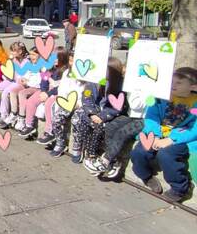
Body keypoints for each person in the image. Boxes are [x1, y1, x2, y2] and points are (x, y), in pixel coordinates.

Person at [130, 67, 197, 202]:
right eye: (172, 81)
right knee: (139, 152)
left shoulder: (195, 103)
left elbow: (194, 127)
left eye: (179, 83)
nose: (173, 85)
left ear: (192, 86)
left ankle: (180, 188)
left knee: (167, 155)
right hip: (157, 133)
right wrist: (154, 134)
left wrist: (172, 139)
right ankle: (146, 176)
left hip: (179, 138)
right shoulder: (160, 98)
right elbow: (151, 117)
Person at [71, 57, 125, 164]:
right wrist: (92, 113)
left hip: (107, 115)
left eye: (107, 71)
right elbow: (86, 98)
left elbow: (116, 107)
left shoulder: (119, 86)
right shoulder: (93, 82)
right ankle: (81, 146)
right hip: (93, 111)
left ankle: (91, 153)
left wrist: (102, 116)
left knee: (99, 128)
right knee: (82, 121)